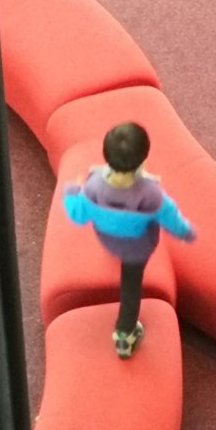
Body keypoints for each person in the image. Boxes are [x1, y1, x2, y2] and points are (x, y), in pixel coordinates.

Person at [63, 122, 195, 359]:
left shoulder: (92, 187)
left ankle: (125, 333)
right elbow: (171, 218)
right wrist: (186, 233)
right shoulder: (151, 194)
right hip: (137, 249)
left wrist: (71, 192)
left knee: (117, 249)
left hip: (108, 240)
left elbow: (77, 216)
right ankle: (125, 334)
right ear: (142, 160)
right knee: (131, 288)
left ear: (107, 157)